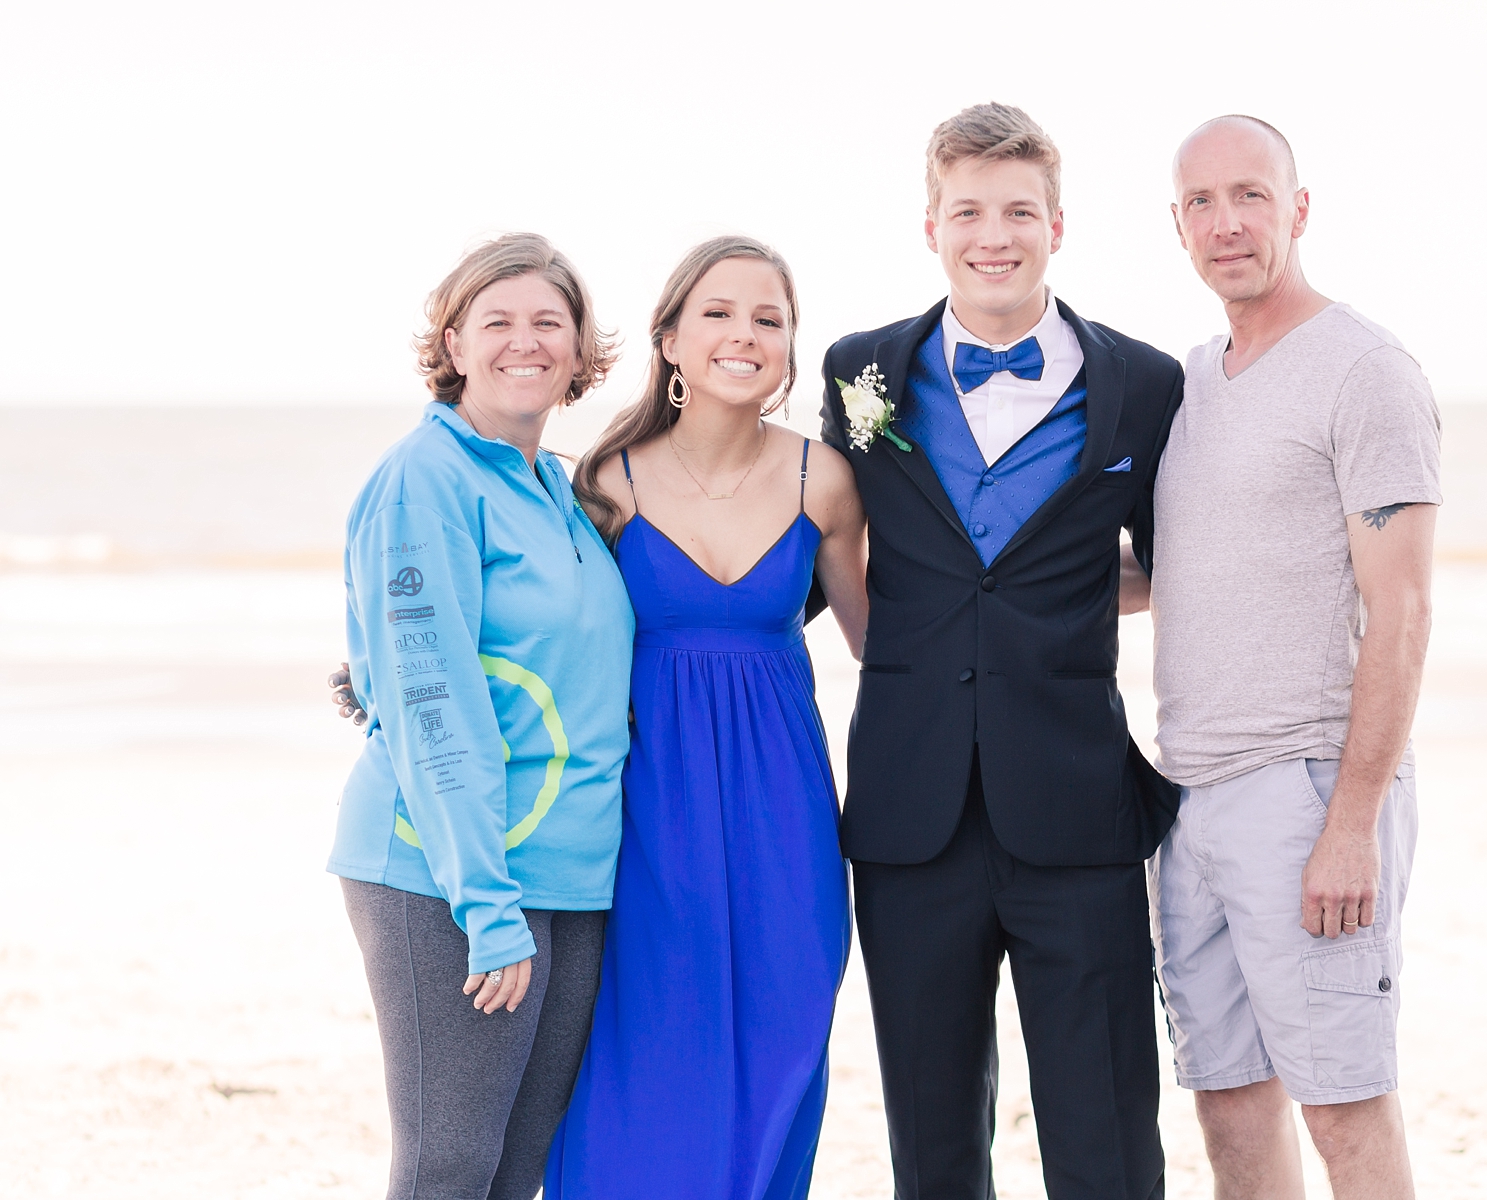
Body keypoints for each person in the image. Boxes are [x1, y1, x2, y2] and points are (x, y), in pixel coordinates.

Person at [819, 104, 1183, 1200]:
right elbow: (828, 539)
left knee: (1107, 1122)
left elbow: (1180, 571)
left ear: (1058, 226)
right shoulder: (858, 373)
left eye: (1019, 211)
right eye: (968, 210)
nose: (995, 234)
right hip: (907, 807)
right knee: (930, 1133)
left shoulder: (1147, 385)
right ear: (930, 224)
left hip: (1076, 804)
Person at [1139, 115, 1439, 1200]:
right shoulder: (1194, 384)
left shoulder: (1364, 370)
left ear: (1298, 208)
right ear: (1178, 228)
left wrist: (1352, 822)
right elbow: (1178, 572)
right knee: (1228, 1108)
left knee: (1346, 1113)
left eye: (1251, 195)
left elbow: (1401, 609)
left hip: (1310, 790)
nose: (1228, 223)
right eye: (1203, 204)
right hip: (1189, 798)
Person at [544, 236, 867, 1200]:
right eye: (720, 313)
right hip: (647, 814)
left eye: (769, 318)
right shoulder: (608, 481)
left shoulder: (827, 481)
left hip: (787, 817)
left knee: (784, 1043)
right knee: (648, 1056)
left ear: (789, 351)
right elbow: (549, 642)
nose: (745, 334)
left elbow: (883, 645)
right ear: (671, 338)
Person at [327, 233, 635, 1200]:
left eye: (550, 322)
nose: (525, 342)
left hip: (570, 878)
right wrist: (487, 906)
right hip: (449, 873)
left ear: (581, 349)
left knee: (518, 1170)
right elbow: (434, 702)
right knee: (449, 1169)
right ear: (454, 343)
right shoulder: (430, 475)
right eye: (496, 322)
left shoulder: (563, 489)